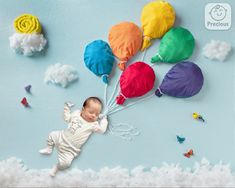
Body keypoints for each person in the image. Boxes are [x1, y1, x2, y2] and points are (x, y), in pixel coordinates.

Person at [39, 97, 108, 177]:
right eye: (91, 112)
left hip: (71, 149)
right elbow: (66, 118)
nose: (93, 116)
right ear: (83, 109)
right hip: (61, 137)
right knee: (52, 134)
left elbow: (102, 130)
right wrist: (66, 107)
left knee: (66, 164)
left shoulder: (93, 125)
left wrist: (104, 120)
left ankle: (56, 167)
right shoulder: (76, 114)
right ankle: (49, 148)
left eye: (96, 114)